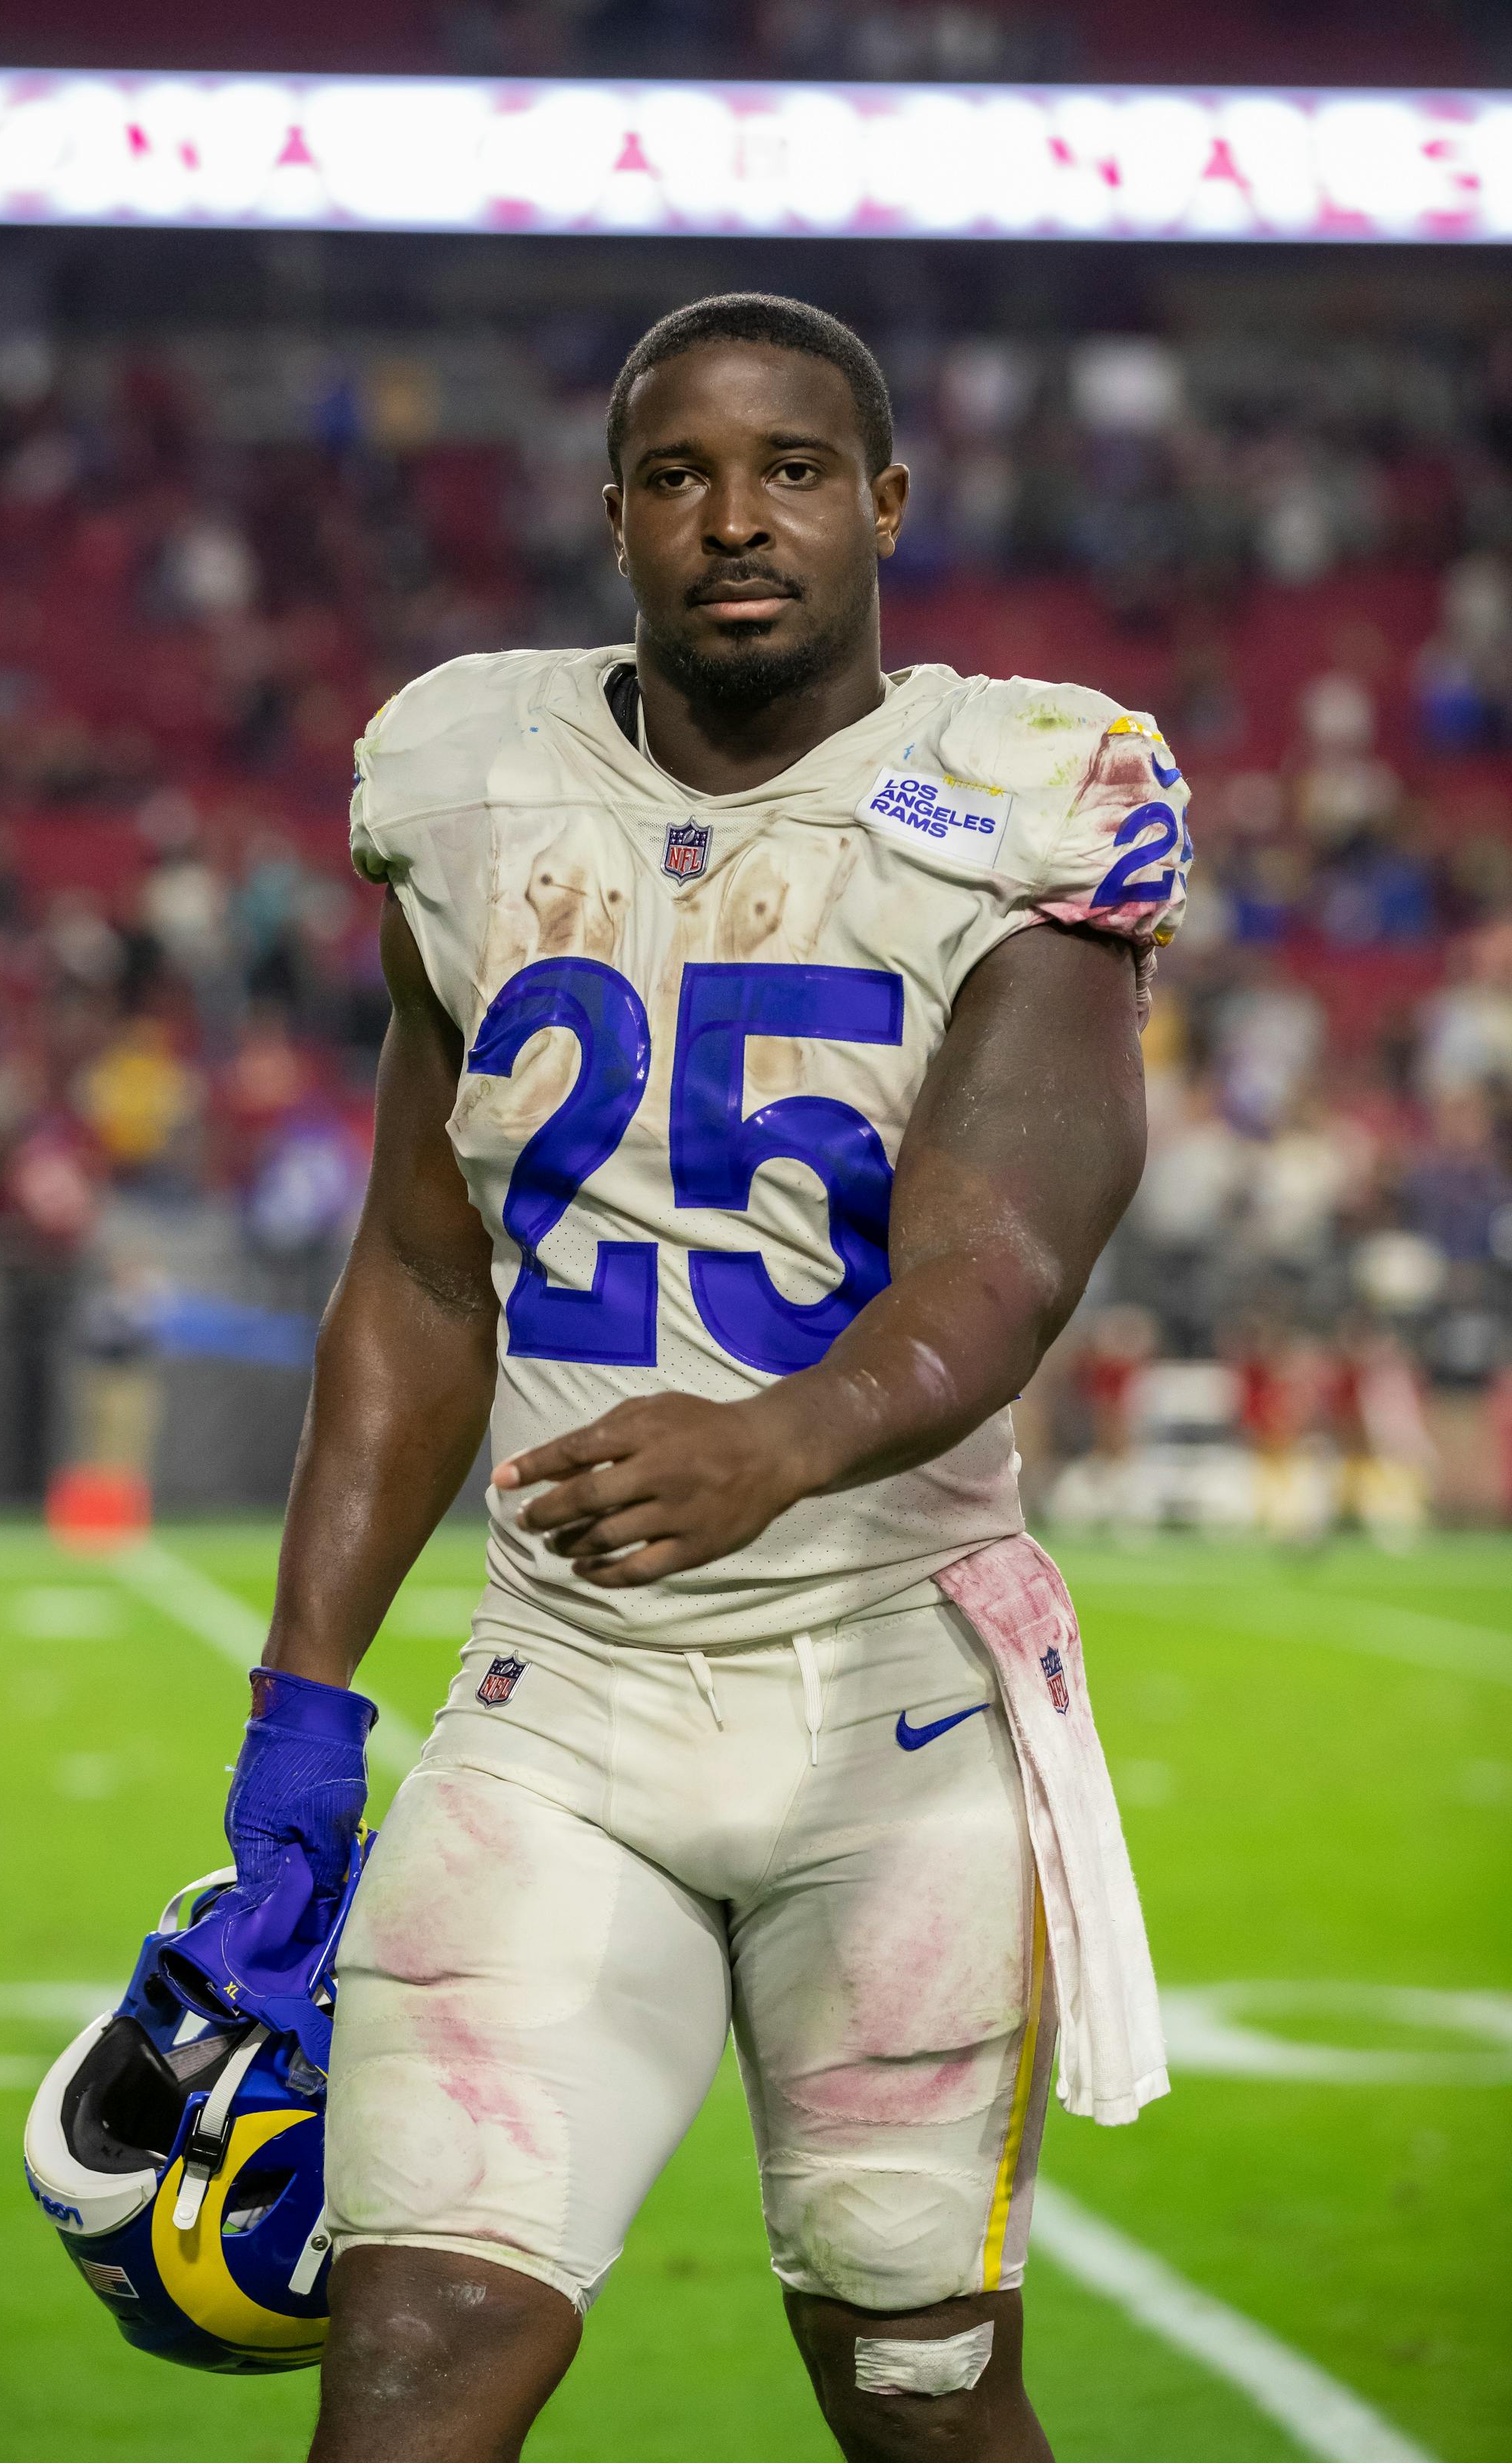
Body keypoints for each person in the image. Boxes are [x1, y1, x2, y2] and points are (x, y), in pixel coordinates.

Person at [197, 296, 1188, 2462]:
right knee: (412, 2354)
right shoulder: (471, 780)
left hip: (895, 1700)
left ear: (886, 504)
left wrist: (785, 1438)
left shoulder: (1019, 800)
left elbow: (1005, 1264)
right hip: (563, 1696)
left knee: (918, 2388)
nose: (738, 519)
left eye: (795, 471)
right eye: (680, 476)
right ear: (616, 514)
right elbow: (420, 1270)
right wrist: (303, 1702)